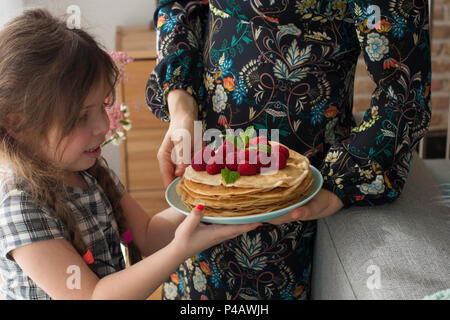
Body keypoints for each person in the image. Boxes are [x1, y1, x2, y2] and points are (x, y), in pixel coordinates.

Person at [146, 0, 432, 299]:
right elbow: (178, 6)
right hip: (208, 168)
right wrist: (182, 110)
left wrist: (339, 185)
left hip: (291, 203)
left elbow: (404, 89)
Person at [0, 9, 260, 300]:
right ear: (17, 123)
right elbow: (93, 296)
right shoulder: (19, 206)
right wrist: (180, 250)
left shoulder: (90, 173)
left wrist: (209, 192)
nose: (103, 125)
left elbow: (147, 237)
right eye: (80, 117)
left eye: (103, 105)